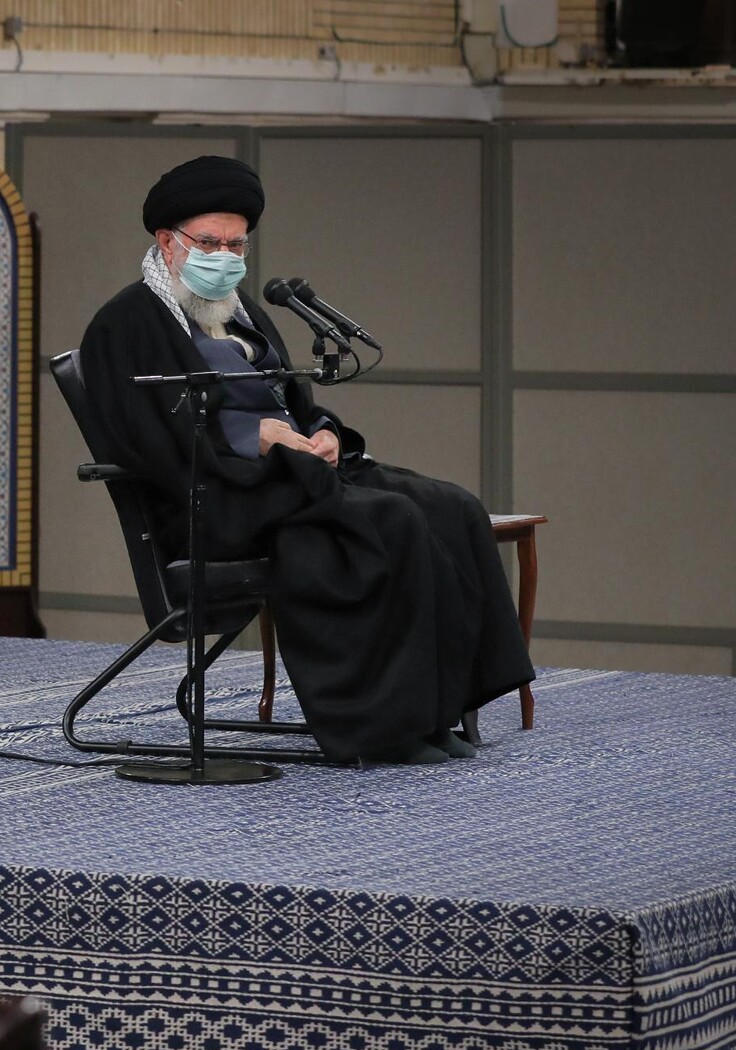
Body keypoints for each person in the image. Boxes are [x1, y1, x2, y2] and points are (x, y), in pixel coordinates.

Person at [77, 155, 533, 764]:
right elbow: (149, 438)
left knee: (449, 505)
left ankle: (443, 708)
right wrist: (255, 440)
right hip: (218, 495)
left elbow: (293, 398)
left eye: (236, 244)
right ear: (167, 241)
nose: (224, 256)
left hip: (291, 473)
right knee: (390, 519)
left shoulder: (240, 310)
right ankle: (384, 728)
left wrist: (322, 434)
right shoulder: (126, 323)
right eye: (209, 243)